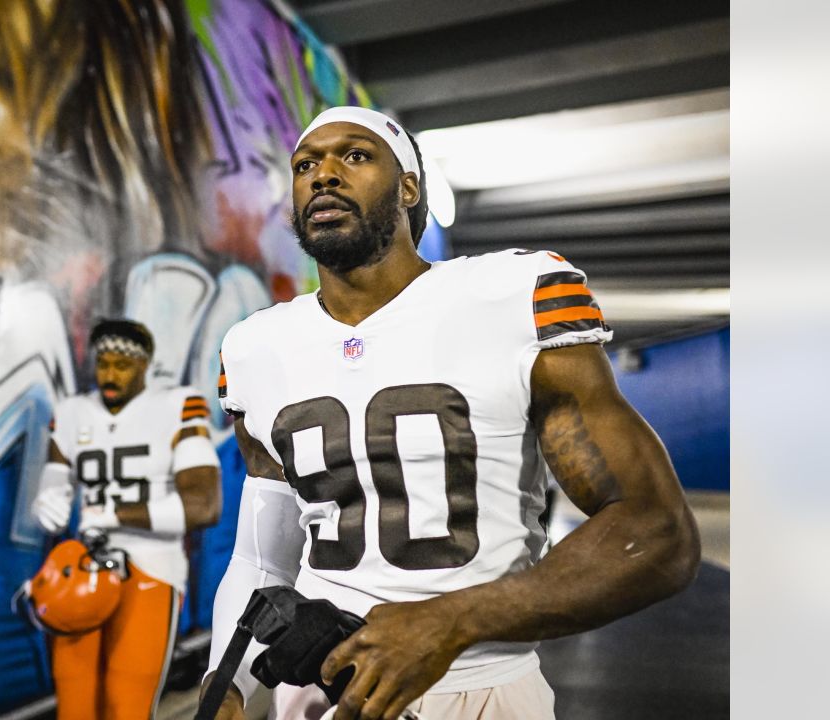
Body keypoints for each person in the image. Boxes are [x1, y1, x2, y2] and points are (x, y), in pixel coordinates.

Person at [200, 106, 702, 720]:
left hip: (479, 689)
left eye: (354, 156)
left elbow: (656, 530)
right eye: (306, 164)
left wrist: (448, 623)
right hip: (318, 687)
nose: (323, 174)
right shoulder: (255, 347)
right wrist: (223, 683)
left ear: (409, 187)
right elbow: (263, 557)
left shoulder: (513, 296)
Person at [32, 318, 224, 719]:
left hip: (151, 570)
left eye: (122, 365)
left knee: (128, 707)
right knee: (74, 705)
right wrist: (48, 502)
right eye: (103, 364)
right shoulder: (71, 412)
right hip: (82, 573)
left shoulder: (178, 405)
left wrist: (115, 514)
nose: (110, 374)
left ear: (144, 366)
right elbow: (53, 480)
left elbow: (204, 505)